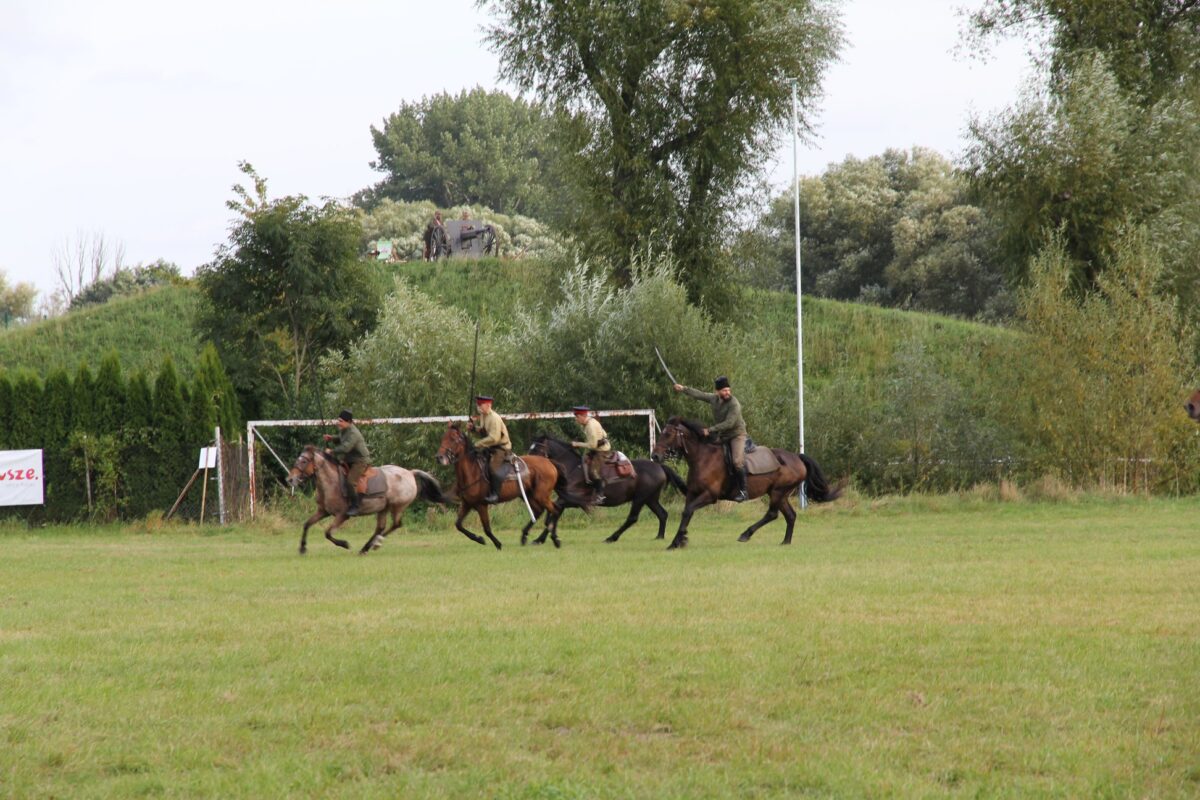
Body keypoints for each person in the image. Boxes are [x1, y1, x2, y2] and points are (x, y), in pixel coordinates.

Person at [673, 376, 749, 501]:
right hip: (723, 435)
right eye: (724, 390)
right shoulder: (714, 399)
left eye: (728, 390)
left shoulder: (734, 404)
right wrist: (683, 389)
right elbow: (699, 394)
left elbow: (729, 423)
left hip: (737, 435)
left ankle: (743, 491)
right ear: (717, 392)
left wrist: (710, 430)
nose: (727, 393)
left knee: (737, 462)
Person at [323, 409, 370, 515]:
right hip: (349, 459)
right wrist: (331, 438)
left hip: (359, 461)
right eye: (338, 420)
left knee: (350, 482)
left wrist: (332, 451)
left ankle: (355, 506)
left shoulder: (354, 433)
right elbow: (341, 438)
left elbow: (346, 447)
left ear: (348, 421)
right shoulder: (344, 429)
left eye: (340, 421)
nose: (338, 423)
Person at [467, 395, 512, 504]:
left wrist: (478, 444)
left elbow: (494, 438)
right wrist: (473, 429)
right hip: (490, 447)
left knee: (492, 467)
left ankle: (495, 495)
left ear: (488, 405)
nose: (478, 407)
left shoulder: (494, 418)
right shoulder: (483, 415)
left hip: (501, 448)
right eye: (478, 405)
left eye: (480, 405)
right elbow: (484, 432)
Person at [570, 405, 610, 502]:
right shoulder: (591, 422)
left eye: (577, 417)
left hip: (601, 451)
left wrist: (577, 444)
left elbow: (592, 445)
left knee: (594, 471)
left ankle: (600, 495)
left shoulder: (590, 426)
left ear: (582, 416)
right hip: (597, 449)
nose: (576, 419)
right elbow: (604, 434)